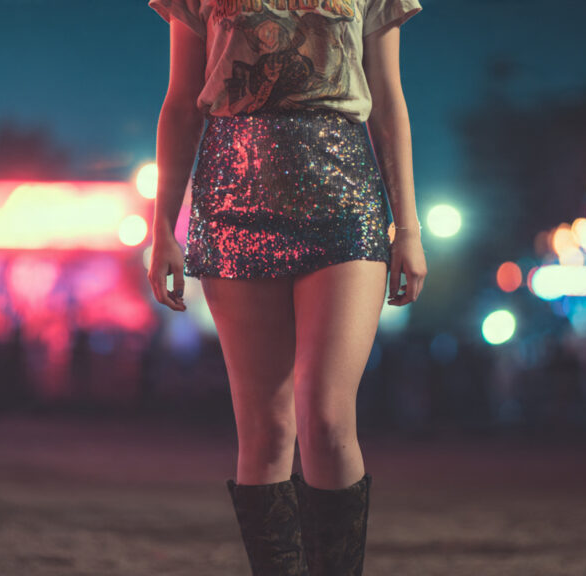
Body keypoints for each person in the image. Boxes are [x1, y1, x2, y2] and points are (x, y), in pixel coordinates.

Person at [147, 1, 425, 574]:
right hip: (234, 197)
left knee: (324, 417)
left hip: (343, 194)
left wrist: (409, 228)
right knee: (266, 430)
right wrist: (162, 229)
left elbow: (389, 102)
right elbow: (179, 106)